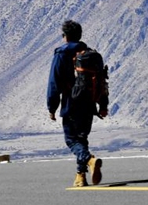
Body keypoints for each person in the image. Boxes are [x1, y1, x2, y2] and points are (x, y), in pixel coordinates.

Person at [47, 19, 109, 187]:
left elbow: (54, 82)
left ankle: (89, 160)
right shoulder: (92, 55)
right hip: (89, 104)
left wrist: (52, 107)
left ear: (65, 36)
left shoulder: (61, 54)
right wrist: (103, 105)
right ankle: (80, 177)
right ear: (80, 35)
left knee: (72, 140)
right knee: (82, 138)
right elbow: (102, 81)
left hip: (71, 103)